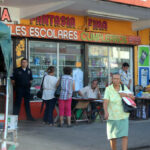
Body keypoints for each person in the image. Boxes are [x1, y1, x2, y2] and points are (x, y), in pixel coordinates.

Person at [103, 73, 135, 150]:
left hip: (123, 115)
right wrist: (106, 112)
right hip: (112, 116)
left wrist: (125, 95)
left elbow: (133, 98)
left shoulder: (123, 87)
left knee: (124, 136)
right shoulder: (108, 89)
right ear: (112, 79)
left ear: (120, 80)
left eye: (118, 79)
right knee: (113, 137)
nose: (116, 80)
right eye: (114, 78)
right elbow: (105, 102)